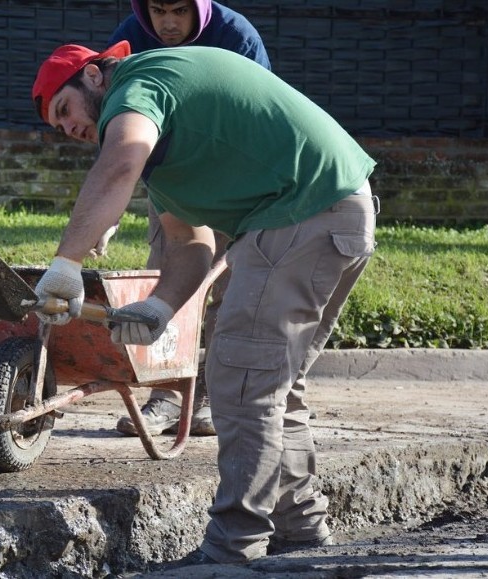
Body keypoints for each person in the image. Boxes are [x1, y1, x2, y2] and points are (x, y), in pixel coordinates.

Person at [31, 43, 377, 563]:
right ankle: (301, 531)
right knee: (273, 385)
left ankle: (232, 548)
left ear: (95, 77)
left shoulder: (140, 83)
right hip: (336, 211)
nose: (71, 129)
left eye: (65, 110)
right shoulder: (169, 138)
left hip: (301, 214)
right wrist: (161, 307)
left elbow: (119, 162)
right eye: (60, 128)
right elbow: (190, 241)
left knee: (239, 381)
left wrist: (66, 265)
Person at [100, 0, 271, 438]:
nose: (168, 23)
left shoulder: (237, 37)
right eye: (157, 11)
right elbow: (115, 120)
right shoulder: (132, 38)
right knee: (168, 279)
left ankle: (211, 396)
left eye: (178, 10)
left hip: (233, 178)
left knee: (231, 286)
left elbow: (259, 112)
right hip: (172, 180)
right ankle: (165, 397)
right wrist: (108, 209)